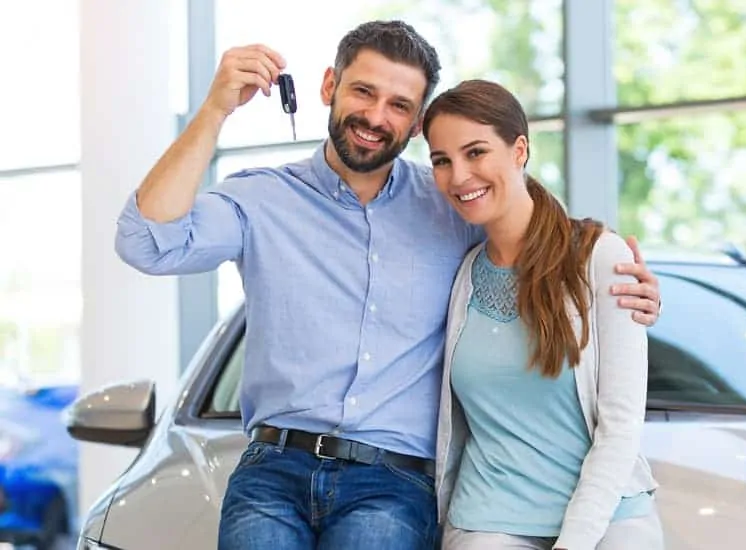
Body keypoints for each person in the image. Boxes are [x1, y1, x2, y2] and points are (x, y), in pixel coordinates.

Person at [114, 20, 661, 550]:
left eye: (399, 105)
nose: (376, 116)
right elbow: (146, 242)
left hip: (391, 482)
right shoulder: (260, 199)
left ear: (417, 121)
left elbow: (533, 233)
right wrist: (214, 112)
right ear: (330, 85)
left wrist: (610, 267)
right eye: (362, 91)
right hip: (273, 470)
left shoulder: (451, 203)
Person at [423, 79, 664, 550]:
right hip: (488, 517)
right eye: (441, 161)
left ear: (519, 150)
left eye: (476, 153)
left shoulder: (600, 257)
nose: (458, 176)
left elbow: (619, 426)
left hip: (609, 514)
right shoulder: (461, 275)